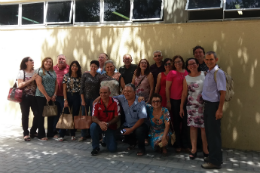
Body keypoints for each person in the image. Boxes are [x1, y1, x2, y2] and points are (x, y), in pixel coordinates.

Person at [180, 58, 209, 160]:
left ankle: (205, 150)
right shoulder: (186, 78)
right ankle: (193, 149)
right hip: (191, 106)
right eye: (189, 64)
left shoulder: (205, 74)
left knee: (204, 128)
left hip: (204, 105)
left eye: (194, 63)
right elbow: (184, 94)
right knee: (193, 128)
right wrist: (181, 108)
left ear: (197, 64)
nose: (192, 65)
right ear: (187, 67)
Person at [201, 51, 226, 169]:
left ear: (216, 60)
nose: (209, 61)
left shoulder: (218, 73)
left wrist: (219, 110)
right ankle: (212, 156)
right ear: (204, 61)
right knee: (209, 133)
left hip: (214, 106)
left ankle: (215, 162)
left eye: (211, 59)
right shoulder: (209, 72)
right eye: (207, 59)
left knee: (214, 134)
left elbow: (222, 92)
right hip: (208, 105)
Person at [114, 84, 149, 156]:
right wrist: (98, 98)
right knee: (119, 133)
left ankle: (141, 149)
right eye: (125, 91)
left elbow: (142, 119)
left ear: (134, 92)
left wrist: (131, 129)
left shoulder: (140, 102)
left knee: (139, 131)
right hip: (127, 125)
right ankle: (132, 143)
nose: (126, 93)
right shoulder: (121, 98)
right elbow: (108, 97)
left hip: (139, 126)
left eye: (129, 91)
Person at [166, 55, 190, 153]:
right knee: (176, 123)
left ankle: (185, 144)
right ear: (173, 64)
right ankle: (178, 144)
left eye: (179, 61)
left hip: (185, 101)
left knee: (185, 124)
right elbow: (167, 88)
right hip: (174, 100)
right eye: (175, 62)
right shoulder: (171, 73)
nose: (178, 63)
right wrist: (168, 101)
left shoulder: (186, 72)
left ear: (182, 62)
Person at [55, 61, 82, 141]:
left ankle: (73, 134)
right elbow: (64, 89)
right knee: (65, 114)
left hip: (77, 96)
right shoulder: (66, 76)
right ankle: (62, 134)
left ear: (78, 68)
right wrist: (65, 100)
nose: (74, 67)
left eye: (76, 66)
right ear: (70, 67)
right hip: (68, 96)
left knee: (75, 115)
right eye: (73, 65)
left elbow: (81, 89)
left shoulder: (80, 76)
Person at [90, 86, 120, 156]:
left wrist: (107, 124)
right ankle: (95, 147)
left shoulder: (115, 102)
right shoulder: (96, 103)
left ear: (109, 93)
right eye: (101, 93)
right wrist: (100, 123)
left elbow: (117, 117)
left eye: (105, 93)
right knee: (93, 126)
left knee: (112, 149)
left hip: (110, 126)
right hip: (99, 125)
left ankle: (105, 140)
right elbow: (93, 117)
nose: (103, 94)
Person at [35, 57, 58, 141]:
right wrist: (46, 96)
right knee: (42, 115)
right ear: (43, 62)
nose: (48, 63)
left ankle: (50, 133)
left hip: (52, 97)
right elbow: (39, 84)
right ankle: (41, 134)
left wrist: (54, 95)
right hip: (41, 96)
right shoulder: (39, 71)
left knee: (51, 114)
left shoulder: (53, 72)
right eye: (47, 61)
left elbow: (56, 84)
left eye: (50, 62)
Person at [17, 57, 38, 141]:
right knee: (25, 115)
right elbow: (20, 85)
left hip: (34, 96)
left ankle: (33, 131)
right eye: (31, 60)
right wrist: (31, 80)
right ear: (26, 62)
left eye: (33, 60)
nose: (33, 61)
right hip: (24, 97)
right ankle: (26, 133)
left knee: (38, 114)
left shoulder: (35, 72)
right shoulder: (21, 72)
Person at [80, 60, 101, 141]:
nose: (93, 68)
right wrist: (82, 100)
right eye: (92, 66)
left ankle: (93, 135)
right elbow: (81, 88)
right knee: (84, 116)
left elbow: (100, 88)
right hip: (85, 98)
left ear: (98, 68)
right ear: (90, 66)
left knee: (94, 116)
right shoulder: (85, 75)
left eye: (95, 66)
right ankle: (83, 135)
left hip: (95, 99)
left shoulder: (99, 76)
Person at [53, 54, 69, 136]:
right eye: (59, 59)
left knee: (64, 114)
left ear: (65, 60)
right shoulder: (53, 69)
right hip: (55, 96)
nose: (61, 60)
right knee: (55, 113)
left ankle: (64, 130)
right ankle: (55, 130)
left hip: (65, 96)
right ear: (57, 60)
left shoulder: (69, 68)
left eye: (63, 59)